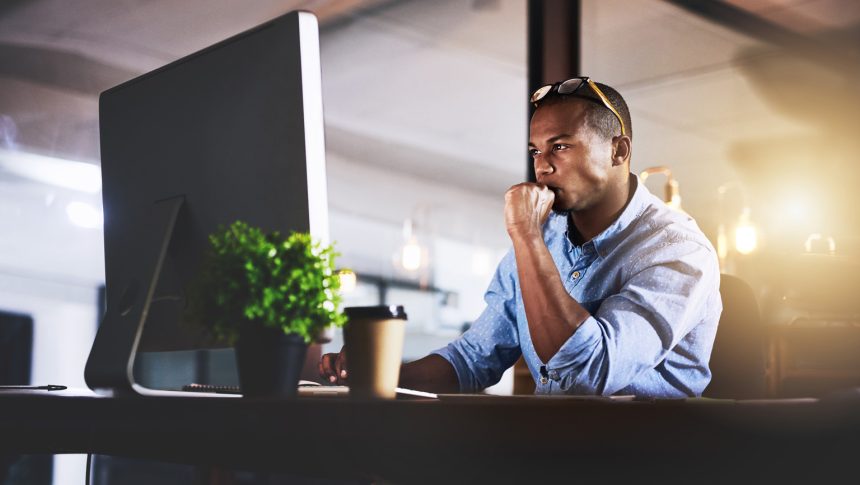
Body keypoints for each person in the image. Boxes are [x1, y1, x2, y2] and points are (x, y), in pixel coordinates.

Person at [320, 77, 721, 398]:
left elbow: (589, 373)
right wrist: (378, 377)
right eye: (535, 151)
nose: (541, 168)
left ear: (618, 150)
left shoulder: (677, 249)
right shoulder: (545, 234)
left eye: (559, 147)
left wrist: (525, 235)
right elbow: (473, 360)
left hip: (642, 459)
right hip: (547, 451)